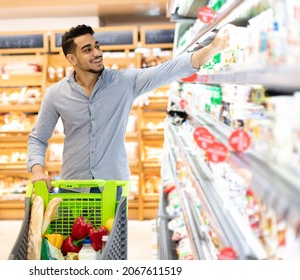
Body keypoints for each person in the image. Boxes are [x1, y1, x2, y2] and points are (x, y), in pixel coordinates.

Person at [27, 24, 231, 194]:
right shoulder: (56, 94)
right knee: (71, 241)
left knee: (113, 243)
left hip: (113, 186)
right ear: (72, 59)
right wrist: (37, 170)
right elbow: (38, 138)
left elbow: (169, 69)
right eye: (87, 50)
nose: (97, 53)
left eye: (97, 46)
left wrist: (213, 48)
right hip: (73, 186)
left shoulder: (123, 82)